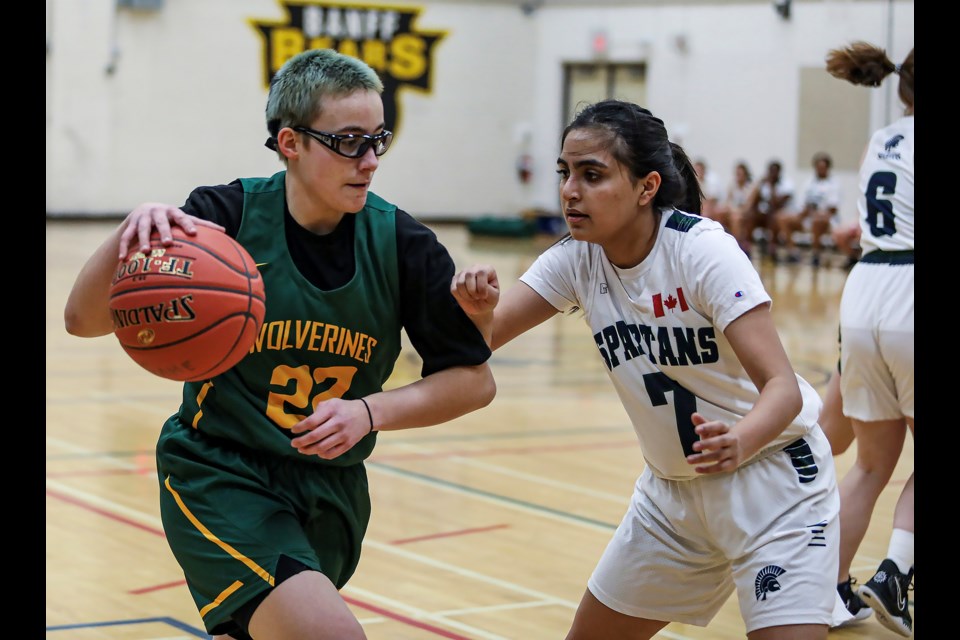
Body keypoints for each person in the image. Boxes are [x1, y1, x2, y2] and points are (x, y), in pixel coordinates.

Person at [63, 48, 496, 640]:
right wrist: (130, 233)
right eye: (349, 141)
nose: (369, 160)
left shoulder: (402, 243)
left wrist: (370, 412)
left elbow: (474, 380)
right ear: (290, 142)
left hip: (332, 488)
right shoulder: (223, 218)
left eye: (378, 140)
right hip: (220, 472)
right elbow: (82, 320)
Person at [452, 99, 840, 640]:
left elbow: (783, 389)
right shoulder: (576, 258)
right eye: (565, 173)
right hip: (671, 497)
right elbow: (479, 341)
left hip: (772, 481)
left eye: (592, 175)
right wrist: (478, 312)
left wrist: (740, 439)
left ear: (646, 186)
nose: (570, 190)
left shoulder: (703, 251)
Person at [826, 41, 914, 637]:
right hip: (910, 287)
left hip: (864, 291)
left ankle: (823, 591)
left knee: (870, 464)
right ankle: (894, 575)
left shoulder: (880, 139)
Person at [777, 152, 841, 268]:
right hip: (807, 217)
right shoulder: (808, 182)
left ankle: (816, 255)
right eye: (818, 167)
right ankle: (793, 252)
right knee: (783, 218)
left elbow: (833, 209)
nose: (820, 169)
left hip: (826, 221)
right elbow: (802, 204)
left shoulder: (834, 184)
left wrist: (816, 212)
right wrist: (804, 212)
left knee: (817, 220)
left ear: (828, 168)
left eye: (823, 167)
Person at [738, 159, 795, 261]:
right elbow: (754, 203)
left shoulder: (787, 184)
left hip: (779, 215)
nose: (772, 174)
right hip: (765, 214)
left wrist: (771, 186)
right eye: (770, 171)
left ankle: (772, 249)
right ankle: (747, 247)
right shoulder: (764, 184)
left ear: (779, 172)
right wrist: (758, 187)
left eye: (774, 171)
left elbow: (776, 204)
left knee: (774, 218)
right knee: (751, 216)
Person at [719, 160, 755, 254]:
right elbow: (727, 202)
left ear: (745, 175)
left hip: (746, 213)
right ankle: (720, 243)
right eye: (737, 174)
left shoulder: (751, 187)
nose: (738, 176)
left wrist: (734, 210)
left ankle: (736, 246)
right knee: (719, 213)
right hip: (733, 211)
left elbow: (748, 206)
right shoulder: (732, 185)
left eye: (740, 174)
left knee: (736, 218)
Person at [694, 157, 726, 228]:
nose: (698, 172)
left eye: (699, 170)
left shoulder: (712, 180)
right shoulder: (694, 183)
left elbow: (713, 199)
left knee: (707, 213)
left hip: (713, 206)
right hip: (702, 206)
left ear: (704, 170)